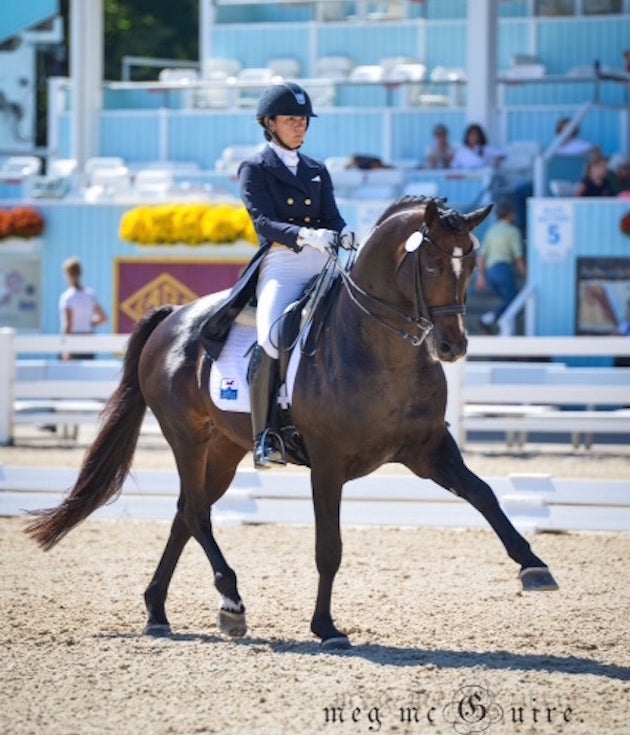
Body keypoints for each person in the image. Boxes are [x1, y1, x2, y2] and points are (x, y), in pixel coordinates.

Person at [236, 82, 356, 469]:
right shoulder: (256, 168)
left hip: (322, 262)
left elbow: (332, 216)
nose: (300, 126)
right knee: (271, 337)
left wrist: (342, 232)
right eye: (291, 119)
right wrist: (305, 234)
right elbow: (263, 222)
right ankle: (265, 434)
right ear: (269, 123)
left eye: (303, 120)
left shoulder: (317, 169)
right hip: (283, 264)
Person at [476, 199, 526, 334]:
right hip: (503, 269)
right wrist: (526, 275)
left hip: (491, 272)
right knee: (515, 304)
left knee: (509, 302)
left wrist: (481, 276)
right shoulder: (513, 231)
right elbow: (518, 256)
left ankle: (501, 329)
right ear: (510, 214)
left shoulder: (492, 231)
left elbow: (482, 255)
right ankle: (489, 319)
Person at [58, 256, 107, 360]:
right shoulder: (90, 295)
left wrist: (66, 349)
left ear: (67, 274)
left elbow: (68, 325)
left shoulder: (67, 297)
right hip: (89, 339)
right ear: (80, 273)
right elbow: (103, 318)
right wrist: (89, 322)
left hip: (73, 340)